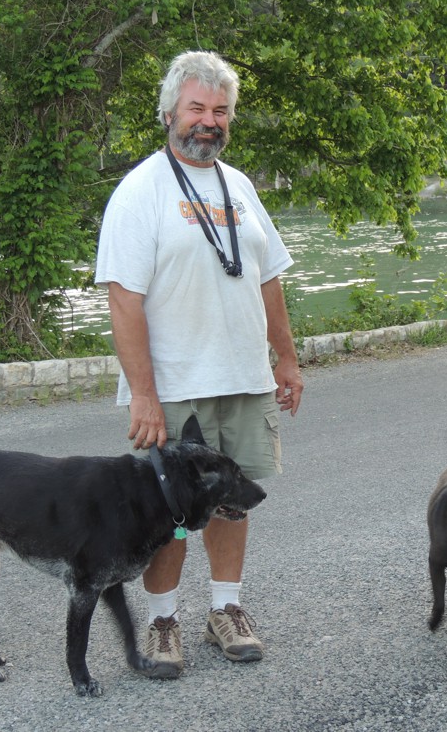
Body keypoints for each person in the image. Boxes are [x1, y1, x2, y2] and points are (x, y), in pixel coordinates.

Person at [94, 50, 303, 679]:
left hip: (245, 378)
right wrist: (143, 395)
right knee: (170, 515)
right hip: (177, 385)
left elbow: (268, 281)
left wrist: (286, 360)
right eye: (196, 108)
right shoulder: (140, 191)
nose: (207, 121)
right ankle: (162, 620)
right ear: (169, 113)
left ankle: (226, 609)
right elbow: (123, 301)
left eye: (219, 111)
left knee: (232, 504)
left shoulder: (239, 186)